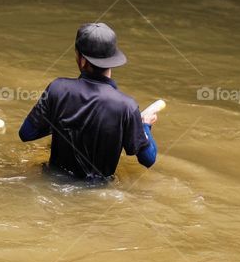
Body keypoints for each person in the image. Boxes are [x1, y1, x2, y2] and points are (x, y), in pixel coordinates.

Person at [19, 22, 160, 181]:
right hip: (97, 194)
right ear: (113, 58)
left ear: (83, 60)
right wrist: (145, 126)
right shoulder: (126, 106)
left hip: (52, 182)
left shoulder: (57, 89)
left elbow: (26, 133)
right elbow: (148, 159)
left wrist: (60, 123)